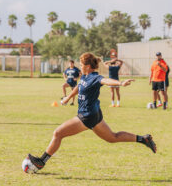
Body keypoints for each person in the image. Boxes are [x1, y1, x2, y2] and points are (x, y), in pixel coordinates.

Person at [27, 52, 157, 171]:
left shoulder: (95, 77)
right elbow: (79, 86)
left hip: (87, 116)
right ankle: (143, 139)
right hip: (95, 114)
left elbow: (106, 81)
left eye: (82, 64)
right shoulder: (85, 76)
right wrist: (67, 98)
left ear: (88, 66)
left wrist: (121, 83)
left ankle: (41, 162)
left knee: (58, 133)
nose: (80, 66)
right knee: (113, 137)